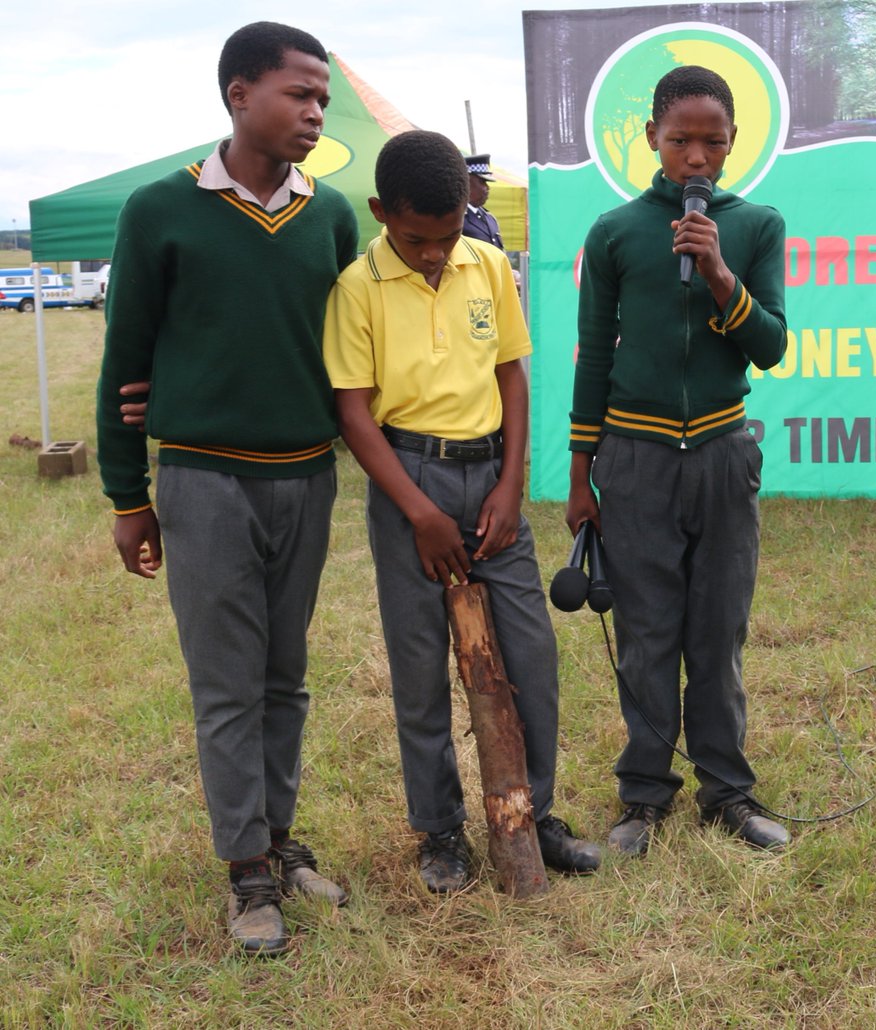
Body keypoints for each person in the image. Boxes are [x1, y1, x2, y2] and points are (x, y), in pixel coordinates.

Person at [95, 21, 360, 957]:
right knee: (226, 685)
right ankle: (246, 872)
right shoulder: (158, 210)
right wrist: (129, 497)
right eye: (300, 93)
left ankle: (282, 845)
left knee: (285, 679)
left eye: (323, 97)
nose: (316, 111)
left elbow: (350, 355)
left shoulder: (331, 217)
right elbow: (124, 358)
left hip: (307, 478)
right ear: (238, 93)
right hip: (204, 483)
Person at [322, 130, 599, 893]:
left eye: (447, 237)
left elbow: (512, 375)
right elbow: (353, 412)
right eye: (417, 240)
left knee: (532, 659)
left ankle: (533, 814)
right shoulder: (358, 287)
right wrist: (417, 511)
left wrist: (511, 486)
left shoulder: (485, 264)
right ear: (381, 213)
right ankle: (440, 832)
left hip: (491, 482)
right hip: (409, 482)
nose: (436, 254)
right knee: (419, 671)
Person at [566, 65, 790, 856]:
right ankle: (644, 796)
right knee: (646, 632)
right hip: (634, 457)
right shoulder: (617, 231)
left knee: (718, 629)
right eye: (680, 141)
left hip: (725, 455)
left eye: (713, 142)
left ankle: (727, 792)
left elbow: (771, 345)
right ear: (652, 140)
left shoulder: (757, 224)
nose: (697, 158)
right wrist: (579, 476)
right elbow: (593, 356)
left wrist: (721, 270)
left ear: (734, 144)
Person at [461, 154, 505, 250]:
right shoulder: (457, 219)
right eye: (482, 182)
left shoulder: (489, 218)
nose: (487, 188)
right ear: (466, 182)